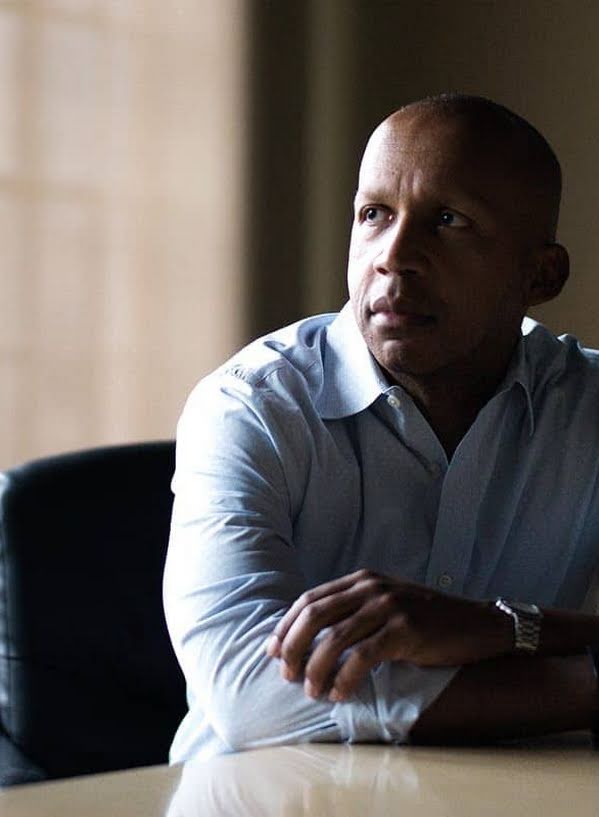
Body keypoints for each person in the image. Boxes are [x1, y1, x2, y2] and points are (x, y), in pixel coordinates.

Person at [163, 93, 599, 763]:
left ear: (539, 274)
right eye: (373, 215)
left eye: (448, 221)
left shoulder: (586, 404)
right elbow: (249, 691)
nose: (393, 257)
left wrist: (502, 629)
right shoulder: (250, 407)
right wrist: (563, 664)